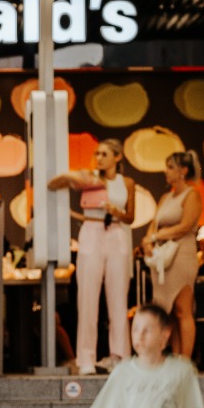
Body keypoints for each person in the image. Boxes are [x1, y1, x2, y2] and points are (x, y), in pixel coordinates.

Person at [50, 138, 132, 375]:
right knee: (87, 297)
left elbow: (131, 217)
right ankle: (85, 358)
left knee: (118, 299)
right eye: (97, 153)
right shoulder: (89, 178)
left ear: (117, 157)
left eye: (105, 154)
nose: (99, 158)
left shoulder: (126, 182)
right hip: (91, 232)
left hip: (116, 233)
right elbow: (54, 183)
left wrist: (116, 211)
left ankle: (120, 356)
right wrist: (77, 176)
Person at [145, 150, 204, 358]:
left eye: (170, 167)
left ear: (183, 170)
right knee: (168, 312)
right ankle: (175, 357)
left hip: (182, 254)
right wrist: (148, 240)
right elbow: (154, 224)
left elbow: (186, 225)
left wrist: (157, 236)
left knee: (182, 309)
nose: (166, 171)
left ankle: (185, 361)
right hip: (162, 259)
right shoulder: (165, 197)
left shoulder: (192, 195)